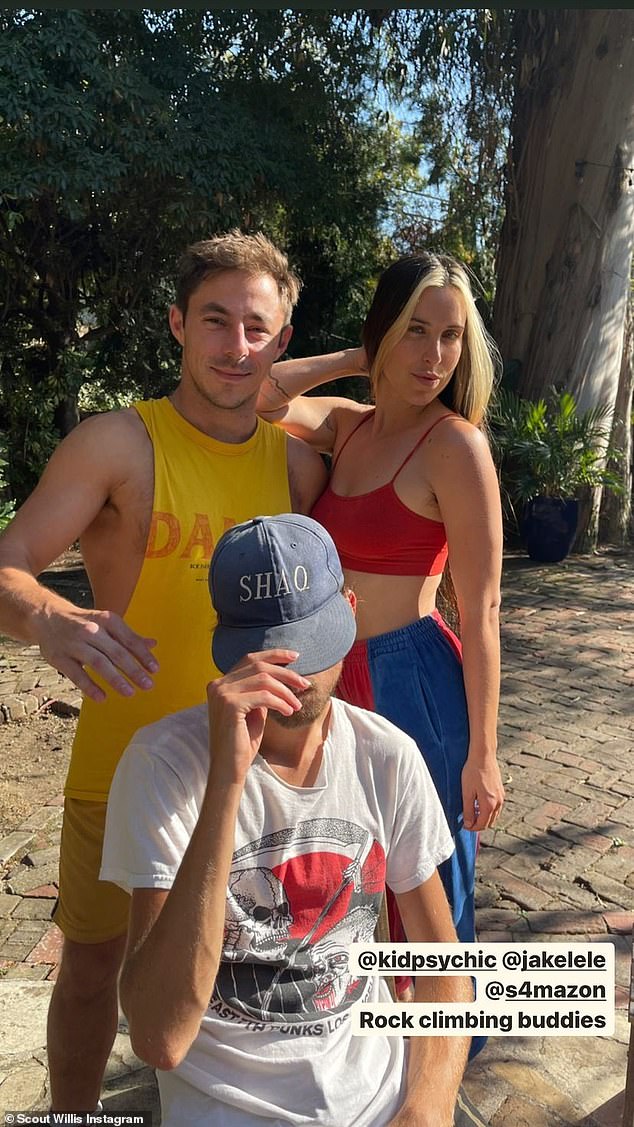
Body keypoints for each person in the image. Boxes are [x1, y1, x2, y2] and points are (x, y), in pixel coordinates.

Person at [0, 231, 326, 1113]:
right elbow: (10, 562)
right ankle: (72, 1110)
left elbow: (411, 436)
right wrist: (45, 613)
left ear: (283, 338)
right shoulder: (118, 443)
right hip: (122, 765)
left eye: (257, 326)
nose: (236, 346)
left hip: (249, 771)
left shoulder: (296, 465)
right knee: (92, 971)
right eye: (215, 320)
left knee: (245, 967)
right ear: (178, 323)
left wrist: (363, 355)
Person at [100, 513, 472, 1127]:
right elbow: (159, 1037)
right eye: (267, 652)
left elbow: (445, 965)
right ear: (224, 644)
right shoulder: (163, 766)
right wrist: (226, 783)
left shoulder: (386, 755)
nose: (295, 678)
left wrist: (426, 1107)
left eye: (312, 645)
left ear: (351, 611)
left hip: (375, 1099)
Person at [256, 252, 505, 976]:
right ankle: (365, 1055)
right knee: (349, 869)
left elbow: (483, 606)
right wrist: (361, 355)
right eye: (415, 331)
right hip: (332, 672)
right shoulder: (350, 427)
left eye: (451, 336)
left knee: (428, 876)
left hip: (413, 678)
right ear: (382, 334)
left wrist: (483, 753)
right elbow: (265, 392)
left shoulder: (455, 445)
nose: (434, 356)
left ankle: (441, 1056)